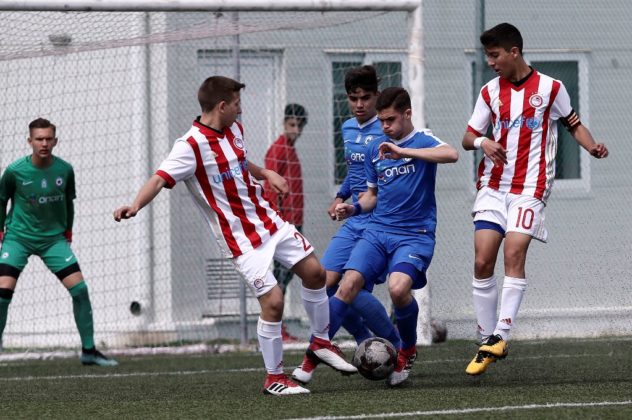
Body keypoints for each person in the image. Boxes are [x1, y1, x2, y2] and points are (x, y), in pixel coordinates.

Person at [113, 76, 356, 396]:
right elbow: (159, 179)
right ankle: (274, 378)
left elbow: (239, 162)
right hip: (240, 240)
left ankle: (321, 342)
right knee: (274, 301)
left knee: (315, 273)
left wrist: (265, 172)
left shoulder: (234, 130)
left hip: (268, 220)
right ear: (221, 106)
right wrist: (134, 205)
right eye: (237, 104)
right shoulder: (189, 146)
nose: (240, 110)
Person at [462, 23, 609, 376]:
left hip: (531, 187)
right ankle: (485, 338)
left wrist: (591, 146)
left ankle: (501, 334)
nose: (490, 62)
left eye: (495, 55)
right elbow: (468, 137)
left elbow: (573, 124)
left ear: (514, 52)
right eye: (487, 56)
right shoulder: (489, 92)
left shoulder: (551, 88)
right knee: (482, 261)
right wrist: (483, 142)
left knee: (514, 252)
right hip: (493, 186)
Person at [330, 87, 458, 386]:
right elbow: (372, 195)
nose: (385, 126)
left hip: (415, 234)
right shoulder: (376, 148)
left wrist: (404, 152)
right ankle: (317, 350)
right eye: (381, 120)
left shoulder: (423, 139)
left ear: (407, 114)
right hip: (379, 231)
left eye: (390, 120)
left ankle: (407, 350)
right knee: (344, 283)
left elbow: (451, 154)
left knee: (398, 289)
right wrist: (353, 208)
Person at [292, 66, 401, 385]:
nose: (359, 104)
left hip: (380, 222)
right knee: (322, 282)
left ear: (377, 96)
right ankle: (369, 341)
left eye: (365, 98)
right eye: (353, 98)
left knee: (350, 287)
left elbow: (388, 184)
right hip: (355, 219)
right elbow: (356, 174)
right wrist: (341, 196)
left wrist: (359, 205)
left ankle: (315, 358)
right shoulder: (348, 127)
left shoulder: (388, 131)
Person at [0, 118, 118, 367]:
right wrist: (1, 232)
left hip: (53, 240)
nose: (44, 143)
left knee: (80, 290)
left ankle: (89, 351)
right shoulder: (14, 171)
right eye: (39, 139)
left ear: (55, 141)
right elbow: (1, 201)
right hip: (18, 239)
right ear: (30, 141)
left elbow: (69, 203)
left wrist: (68, 232)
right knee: (2, 294)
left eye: (48, 139)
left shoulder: (65, 170)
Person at [263, 103, 308, 342]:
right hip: (283, 224)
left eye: (300, 126)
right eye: (292, 125)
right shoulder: (278, 149)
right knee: (281, 276)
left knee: (287, 275)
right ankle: (274, 328)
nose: (296, 130)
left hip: (294, 221)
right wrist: (279, 223)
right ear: (284, 124)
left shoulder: (291, 150)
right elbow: (270, 189)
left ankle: (276, 327)